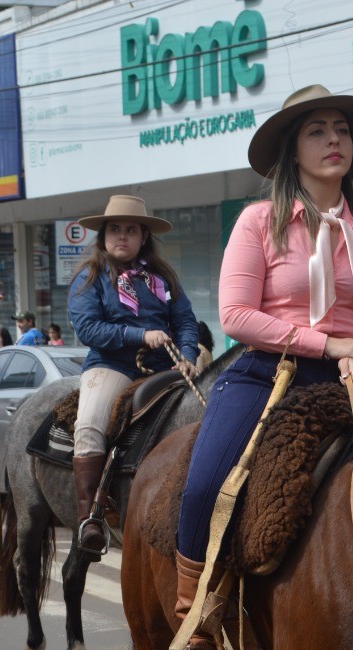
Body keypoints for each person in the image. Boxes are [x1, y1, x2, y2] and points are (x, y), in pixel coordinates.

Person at [169, 85, 353, 650]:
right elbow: (235, 316)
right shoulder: (258, 221)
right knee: (202, 486)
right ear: (292, 149)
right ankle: (194, 624)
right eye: (317, 131)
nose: (334, 141)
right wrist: (329, 345)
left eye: (342, 130)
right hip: (268, 373)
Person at [68, 194, 200, 558]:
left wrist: (187, 356)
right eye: (115, 230)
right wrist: (139, 335)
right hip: (113, 366)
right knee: (90, 423)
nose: (121, 236)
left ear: (144, 236)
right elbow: (88, 329)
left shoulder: (162, 277)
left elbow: (185, 321)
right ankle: (89, 516)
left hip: (165, 367)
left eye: (130, 230)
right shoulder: (89, 277)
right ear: (103, 236)